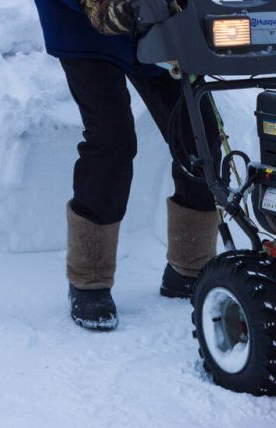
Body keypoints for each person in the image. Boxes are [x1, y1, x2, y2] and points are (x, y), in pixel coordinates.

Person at [33, 0, 221, 331]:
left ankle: (189, 269)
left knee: (198, 134)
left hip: (158, 22)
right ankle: (89, 278)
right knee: (112, 137)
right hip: (83, 25)